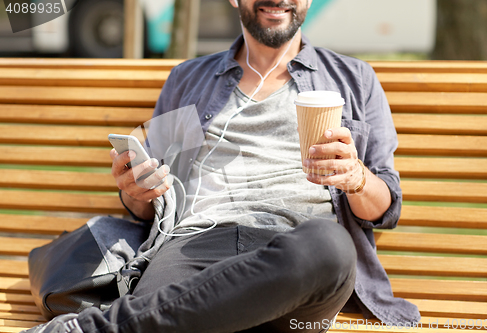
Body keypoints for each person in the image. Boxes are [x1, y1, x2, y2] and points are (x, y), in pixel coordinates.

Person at [23, 0, 420, 332]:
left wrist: (356, 177)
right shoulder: (190, 79)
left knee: (330, 247)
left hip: (294, 263)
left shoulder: (354, 80)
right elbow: (152, 204)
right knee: (167, 299)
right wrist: (135, 191)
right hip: (193, 248)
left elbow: (386, 207)